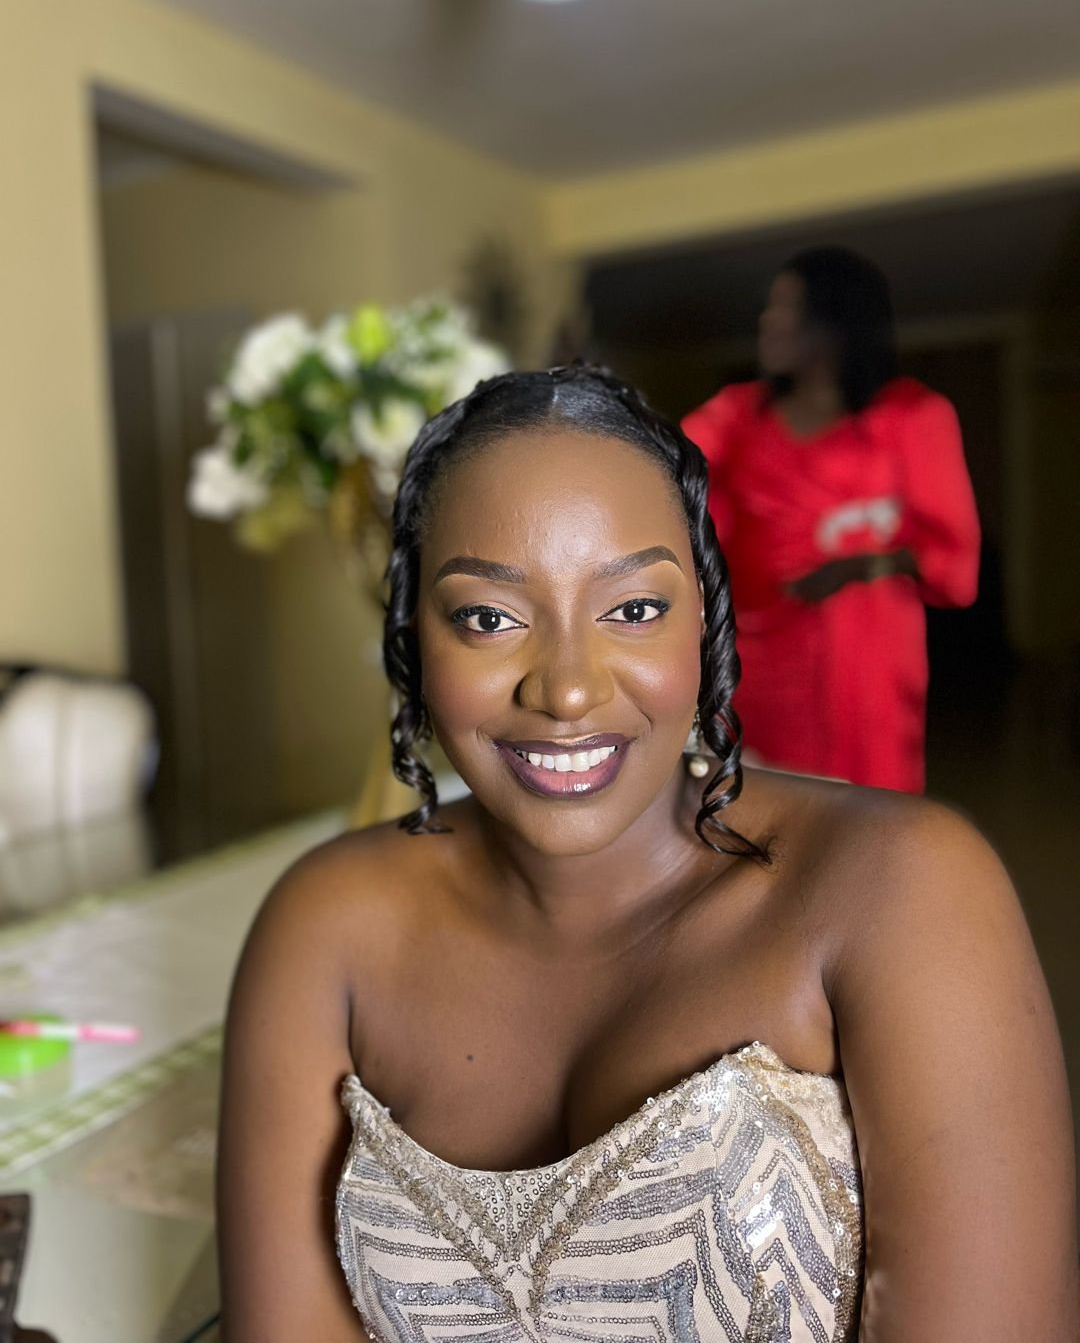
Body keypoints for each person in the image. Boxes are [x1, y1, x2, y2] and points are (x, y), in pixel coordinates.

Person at [217, 365, 1077, 1342]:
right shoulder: (327, 927)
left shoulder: (900, 890)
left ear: (705, 622)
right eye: (489, 617)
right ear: (416, 639)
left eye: (633, 609)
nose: (567, 689)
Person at [682, 247, 980, 792]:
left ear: (836, 322)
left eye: (786, 307)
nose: (768, 321)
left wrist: (861, 565)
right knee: (758, 807)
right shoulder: (738, 413)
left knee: (863, 818)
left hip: (863, 667)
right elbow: (664, 469)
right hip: (754, 657)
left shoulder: (912, 416)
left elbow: (954, 563)